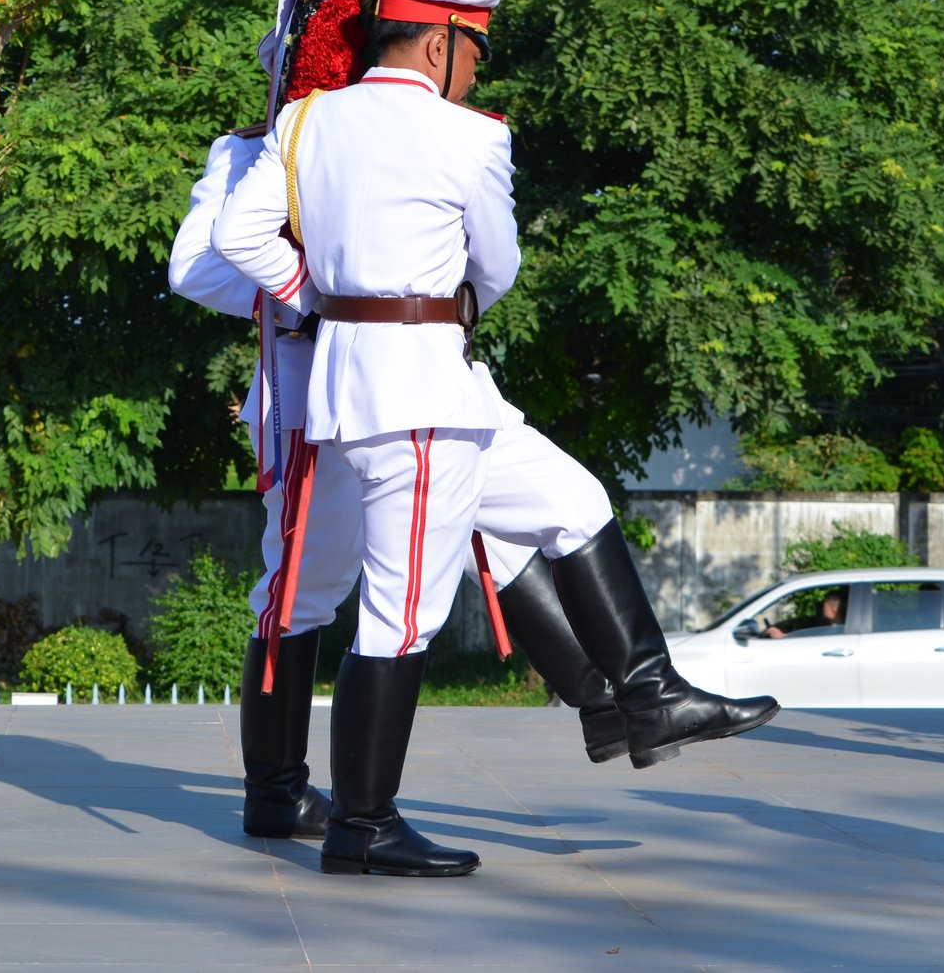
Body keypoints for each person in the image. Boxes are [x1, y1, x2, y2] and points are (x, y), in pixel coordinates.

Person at [213, 0, 779, 878]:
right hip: (420, 396)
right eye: (472, 51)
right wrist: (409, 301)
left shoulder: (305, 122)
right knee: (398, 618)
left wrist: (325, 303)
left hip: (386, 390)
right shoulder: (471, 137)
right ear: (439, 44)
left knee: (572, 498)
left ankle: (645, 695)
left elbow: (241, 242)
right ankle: (364, 827)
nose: (475, 71)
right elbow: (499, 264)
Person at [170, 131, 628, 841]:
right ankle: (278, 789)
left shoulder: (399, 137)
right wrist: (322, 296)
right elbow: (195, 267)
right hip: (308, 388)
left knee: (488, 511)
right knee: (305, 584)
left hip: (425, 372)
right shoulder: (254, 149)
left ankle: (604, 696)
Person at [765, 588, 846, 637]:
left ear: (834, 609)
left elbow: (809, 641)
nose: (821, 606)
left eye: (825, 603)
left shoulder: (838, 630)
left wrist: (783, 637)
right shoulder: (834, 627)